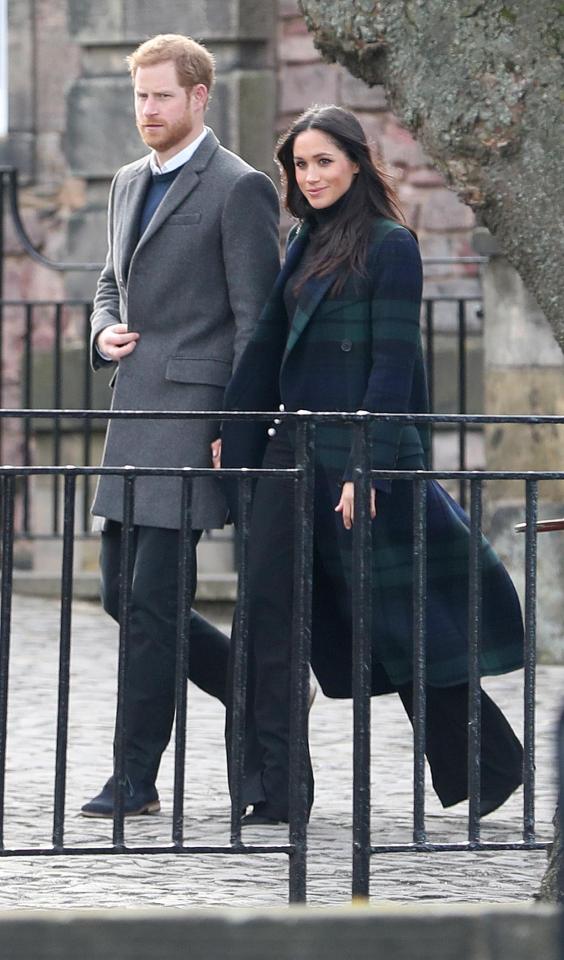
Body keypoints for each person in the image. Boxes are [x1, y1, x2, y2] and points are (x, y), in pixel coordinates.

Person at [220, 105, 524, 826]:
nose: (311, 176)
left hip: (363, 454)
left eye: (324, 161)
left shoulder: (392, 245)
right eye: (300, 164)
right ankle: (274, 788)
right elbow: (267, 345)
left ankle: (488, 764)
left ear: (356, 162)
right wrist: (232, 441)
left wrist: (367, 468)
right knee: (265, 611)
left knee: (400, 621)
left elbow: (392, 367)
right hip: (291, 449)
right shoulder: (302, 241)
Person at [81, 34, 280, 818]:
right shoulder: (128, 181)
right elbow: (107, 283)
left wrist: (237, 424)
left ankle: (133, 779)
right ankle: (258, 690)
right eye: (140, 96)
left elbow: (254, 322)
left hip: (195, 423)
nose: (148, 110)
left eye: (162, 96)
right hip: (132, 416)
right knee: (116, 596)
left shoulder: (239, 187)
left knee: (154, 606)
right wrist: (102, 333)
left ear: (201, 97)